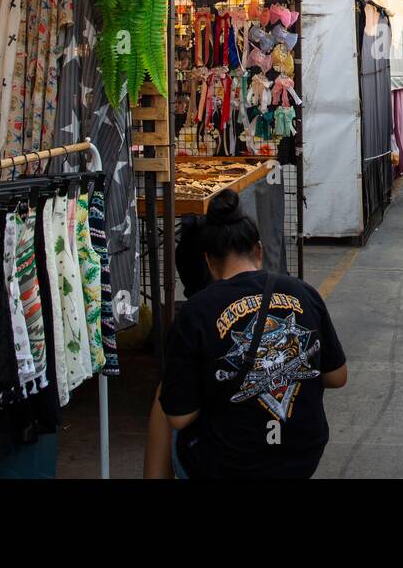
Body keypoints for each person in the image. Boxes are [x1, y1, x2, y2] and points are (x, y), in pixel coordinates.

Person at [145, 189, 347, 478]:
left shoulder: (195, 312)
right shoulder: (303, 292)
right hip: (301, 457)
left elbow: (179, 417)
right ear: (259, 250)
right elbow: (337, 376)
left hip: (225, 465)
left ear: (209, 261)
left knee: (165, 395)